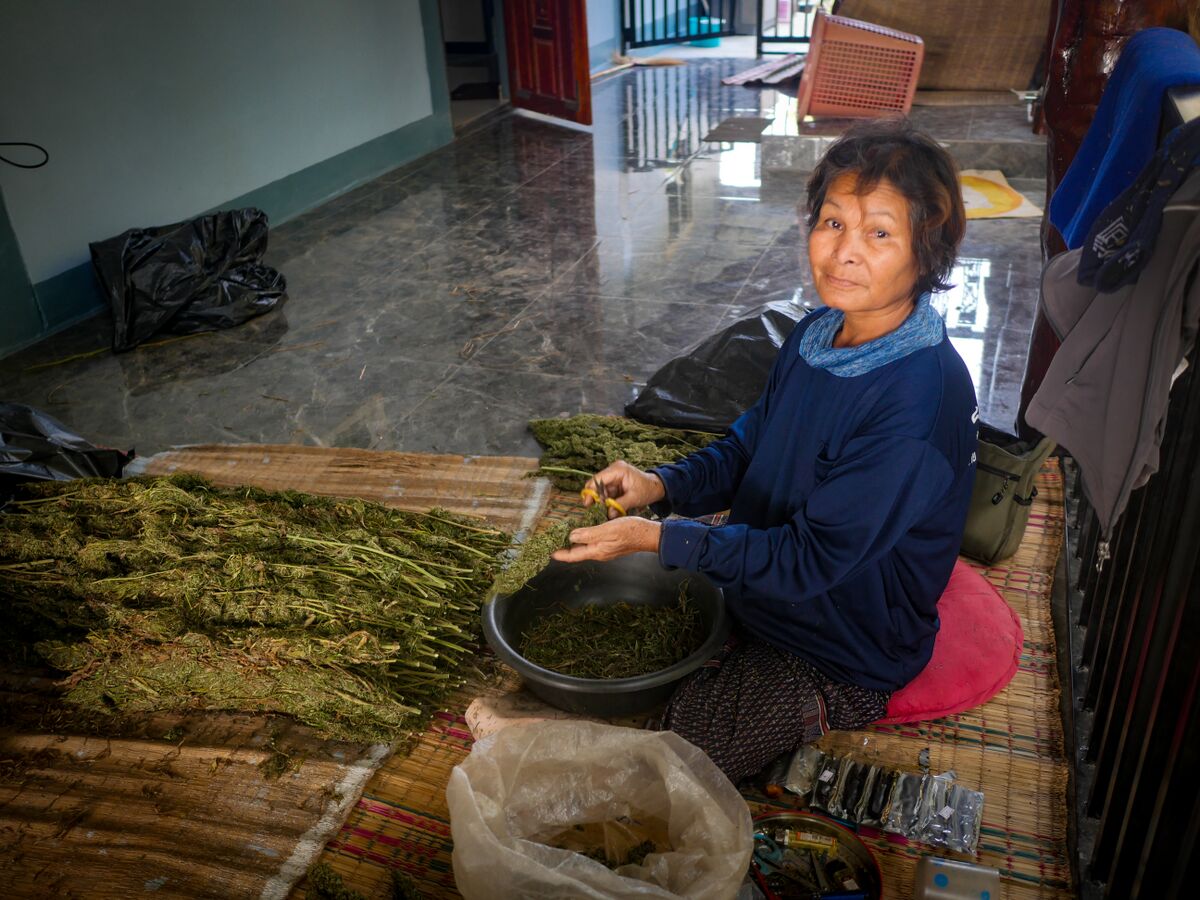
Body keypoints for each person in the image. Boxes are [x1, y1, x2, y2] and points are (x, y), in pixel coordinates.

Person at [551, 118, 978, 783]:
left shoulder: (918, 403)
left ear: (928, 254)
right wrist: (661, 487)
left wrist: (663, 541)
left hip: (840, 639)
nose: (844, 254)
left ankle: (822, 698)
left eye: (880, 234)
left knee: (677, 758)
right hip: (767, 580)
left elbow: (811, 561)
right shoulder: (818, 332)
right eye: (832, 223)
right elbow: (751, 445)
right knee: (625, 622)